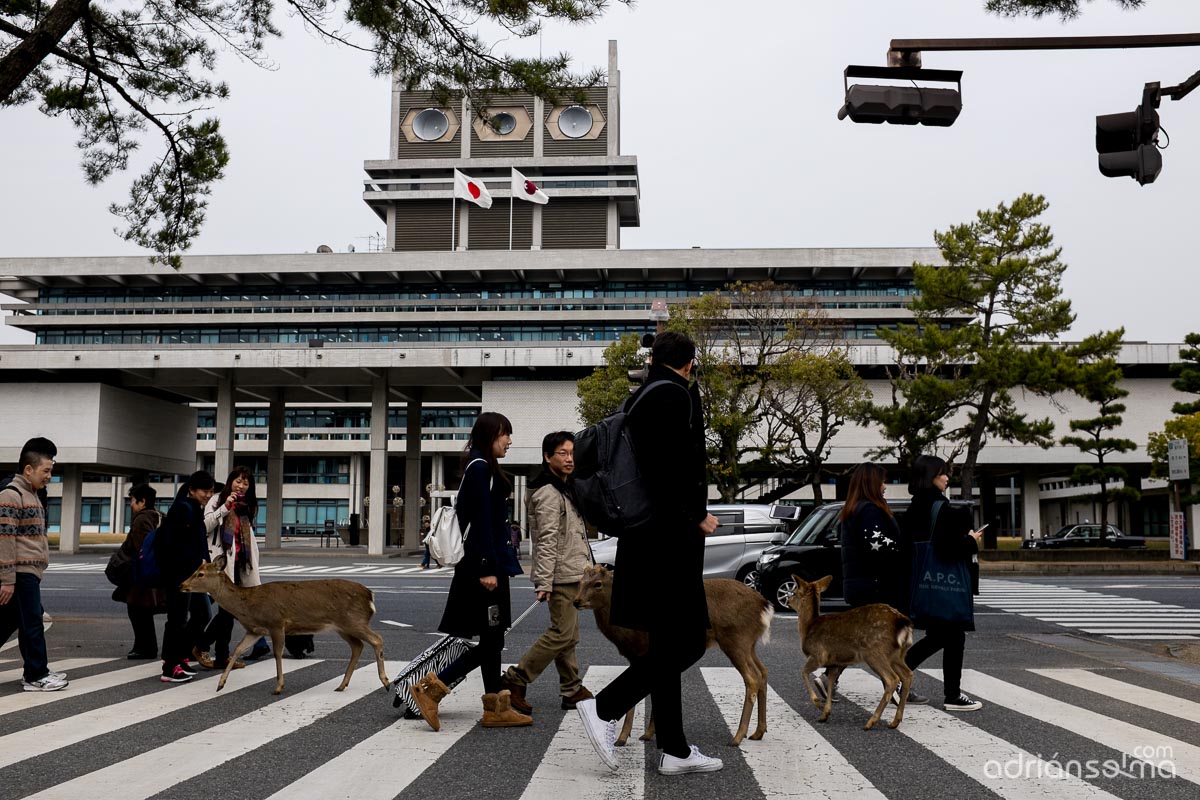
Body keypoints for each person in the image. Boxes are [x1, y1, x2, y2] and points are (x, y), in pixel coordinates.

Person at [576, 331, 724, 776]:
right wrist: (695, 514)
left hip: (646, 536)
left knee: (665, 641)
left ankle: (675, 749)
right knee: (689, 641)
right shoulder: (671, 398)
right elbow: (668, 468)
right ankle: (604, 707)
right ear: (690, 362)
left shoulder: (643, 396)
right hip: (666, 538)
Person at [410, 412, 532, 730]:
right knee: (491, 640)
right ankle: (430, 690)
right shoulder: (480, 469)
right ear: (489, 435)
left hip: (485, 567)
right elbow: (479, 524)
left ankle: (495, 708)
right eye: (505, 434)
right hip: (483, 571)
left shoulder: (482, 467)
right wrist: (487, 568)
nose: (509, 440)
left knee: (492, 639)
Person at [500, 431, 594, 715]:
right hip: (561, 576)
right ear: (547, 457)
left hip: (573, 573)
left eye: (571, 453)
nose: (569, 459)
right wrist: (544, 581)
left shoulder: (564, 487)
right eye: (562, 453)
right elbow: (546, 539)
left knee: (569, 635)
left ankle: (572, 688)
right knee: (562, 634)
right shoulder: (548, 493)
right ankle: (516, 678)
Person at [829, 462, 927, 704]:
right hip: (875, 586)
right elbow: (880, 547)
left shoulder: (853, 509)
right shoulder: (870, 510)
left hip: (862, 584)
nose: (885, 486)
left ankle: (827, 679)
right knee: (885, 640)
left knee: (860, 639)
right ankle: (895, 687)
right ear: (872, 483)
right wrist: (907, 549)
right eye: (883, 481)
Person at [903, 454, 985, 712]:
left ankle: (949, 692)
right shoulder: (942, 508)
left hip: (920, 581)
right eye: (943, 473)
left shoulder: (914, 506)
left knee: (944, 635)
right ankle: (950, 694)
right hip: (943, 582)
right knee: (949, 633)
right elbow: (949, 548)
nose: (947, 478)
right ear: (931, 477)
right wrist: (972, 540)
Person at [0, 438, 69, 691]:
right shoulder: (11, 495)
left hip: (28, 572)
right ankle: (35, 675)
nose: (50, 476)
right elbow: (4, 539)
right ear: (28, 469)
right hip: (19, 573)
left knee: (13, 621)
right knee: (32, 623)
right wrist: (7, 579)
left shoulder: (33, 495)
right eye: (46, 471)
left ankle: (36, 669)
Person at [193, 466, 262, 670]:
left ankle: (220, 655)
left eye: (246, 483)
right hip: (222, 564)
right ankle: (203, 647)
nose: (241, 486)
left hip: (241, 564)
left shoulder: (247, 505)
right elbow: (205, 526)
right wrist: (225, 508)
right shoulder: (216, 500)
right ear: (231, 481)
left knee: (230, 611)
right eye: (238, 481)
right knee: (228, 611)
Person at [155, 470, 216, 684]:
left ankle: (177, 658)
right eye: (204, 491)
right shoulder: (183, 509)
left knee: (200, 614)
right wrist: (196, 561)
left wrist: (204, 561)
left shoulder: (194, 508)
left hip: (191, 575)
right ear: (192, 489)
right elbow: (174, 544)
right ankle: (170, 667)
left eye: (210, 491)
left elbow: (198, 542)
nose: (208, 495)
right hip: (179, 574)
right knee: (177, 619)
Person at [114, 483, 166, 659]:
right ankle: (145, 647)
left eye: (133, 501)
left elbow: (141, 547)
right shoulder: (160, 516)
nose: (131, 505)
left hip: (141, 575)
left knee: (137, 611)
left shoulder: (141, 519)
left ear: (142, 502)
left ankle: (145, 648)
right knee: (143, 611)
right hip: (154, 571)